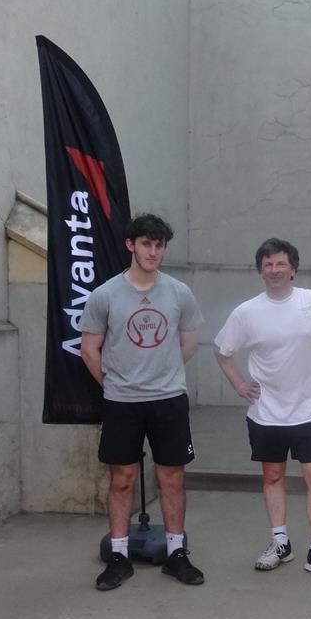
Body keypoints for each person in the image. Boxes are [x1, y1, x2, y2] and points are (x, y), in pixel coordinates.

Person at [214, 238, 311, 580]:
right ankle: (280, 543)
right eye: (268, 264)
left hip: (309, 410)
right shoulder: (247, 312)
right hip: (266, 413)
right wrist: (238, 384)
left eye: (281, 264)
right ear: (260, 270)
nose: (275, 270)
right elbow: (222, 349)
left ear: (293, 269)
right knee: (273, 475)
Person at [80, 213, 205, 591]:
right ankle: (119, 556)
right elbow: (89, 349)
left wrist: (161, 371)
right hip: (122, 402)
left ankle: (176, 553)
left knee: (172, 476)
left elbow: (189, 341)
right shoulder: (105, 295)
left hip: (168, 399)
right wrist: (115, 382)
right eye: (146, 243)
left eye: (160, 244)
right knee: (122, 478)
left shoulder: (179, 292)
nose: (153, 251)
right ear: (130, 245)